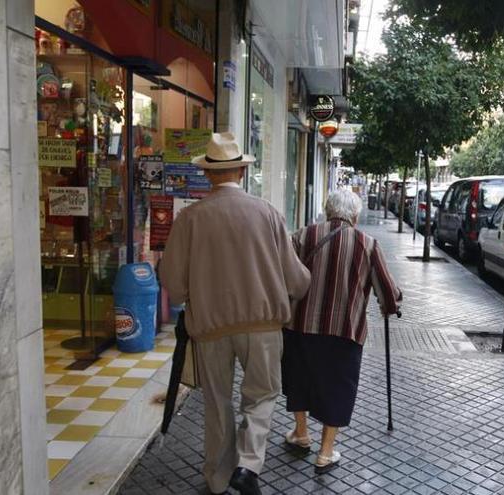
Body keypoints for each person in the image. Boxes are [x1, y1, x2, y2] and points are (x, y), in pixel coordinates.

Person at [161, 132, 311, 495]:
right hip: (262, 326)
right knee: (262, 395)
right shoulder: (268, 214)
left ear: (209, 175)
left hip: (210, 328)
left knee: (217, 403)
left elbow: (174, 285)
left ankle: (216, 479)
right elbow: (297, 280)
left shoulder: (189, 219)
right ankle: (248, 465)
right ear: (242, 172)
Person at [282, 189, 402, 473]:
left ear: (327, 210)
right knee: (337, 387)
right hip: (344, 331)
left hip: (299, 325)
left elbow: (284, 275)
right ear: (355, 216)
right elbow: (387, 291)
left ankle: (301, 433)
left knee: (298, 379)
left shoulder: (302, 236)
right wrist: (393, 303)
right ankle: (325, 453)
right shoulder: (367, 244)